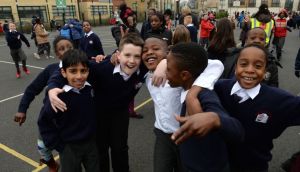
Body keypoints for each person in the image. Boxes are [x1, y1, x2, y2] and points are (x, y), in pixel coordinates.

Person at [177, 44, 300, 172]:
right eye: (243, 64)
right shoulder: (219, 87)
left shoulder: (277, 99)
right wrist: (162, 65)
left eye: (258, 66)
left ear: (265, 71)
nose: (250, 70)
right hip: (219, 166)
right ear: (235, 67)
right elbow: (203, 67)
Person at [47, 33, 148, 172]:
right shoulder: (101, 68)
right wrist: (52, 88)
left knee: (120, 148)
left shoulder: (143, 68)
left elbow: (165, 54)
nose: (132, 61)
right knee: (101, 149)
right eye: (127, 55)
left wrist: (164, 63)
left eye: (137, 56)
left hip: (120, 113)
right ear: (118, 55)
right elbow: (69, 68)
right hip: (98, 114)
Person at [142, 37, 224, 172]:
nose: (149, 52)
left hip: (185, 134)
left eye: (155, 49)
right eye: (145, 51)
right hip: (163, 135)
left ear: (168, 52)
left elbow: (216, 65)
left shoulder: (177, 73)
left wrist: (163, 63)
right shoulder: (145, 76)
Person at [166, 42, 244, 172]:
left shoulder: (204, 96)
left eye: (168, 69)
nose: (165, 73)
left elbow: (237, 131)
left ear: (184, 75)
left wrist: (215, 119)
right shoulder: (190, 88)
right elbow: (213, 64)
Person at [14, 36, 73, 171]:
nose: (67, 50)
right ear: (57, 54)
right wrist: (22, 109)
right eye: (62, 49)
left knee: (69, 154)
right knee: (42, 147)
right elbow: (31, 89)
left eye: (69, 47)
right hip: (52, 118)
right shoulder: (51, 69)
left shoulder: (83, 66)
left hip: (73, 120)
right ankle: (52, 165)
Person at [38, 49, 99, 172]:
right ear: (64, 72)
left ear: (88, 71)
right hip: (69, 147)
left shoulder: (90, 89)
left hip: (91, 144)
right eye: (73, 71)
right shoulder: (57, 97)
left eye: (83, 71)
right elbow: (44, 122)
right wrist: (60, 146)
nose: (79, 76)